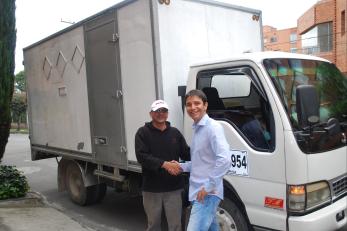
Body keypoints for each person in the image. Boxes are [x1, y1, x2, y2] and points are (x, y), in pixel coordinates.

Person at [178, 89, 232, 231]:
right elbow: (199, 163)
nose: (193, 107)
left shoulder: (213, 128)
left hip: (206, 194)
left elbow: (225, 160)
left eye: (197, 103)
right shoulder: (197, 129)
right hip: (199, 191)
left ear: (205, 105)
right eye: (189, 104)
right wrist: (180, 166)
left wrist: (208, 187)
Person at [135, 99, 190, 231]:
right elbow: (142, 156)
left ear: (167, 113)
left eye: (164, 111)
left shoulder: (175, 133)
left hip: (174, 188)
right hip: (152, 189)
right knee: (153, 225)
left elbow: (187, 154)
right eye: (157, 111)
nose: (161, 113)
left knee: (176, 225)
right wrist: (164, 164)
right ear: (151, 114)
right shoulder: (143, 133)